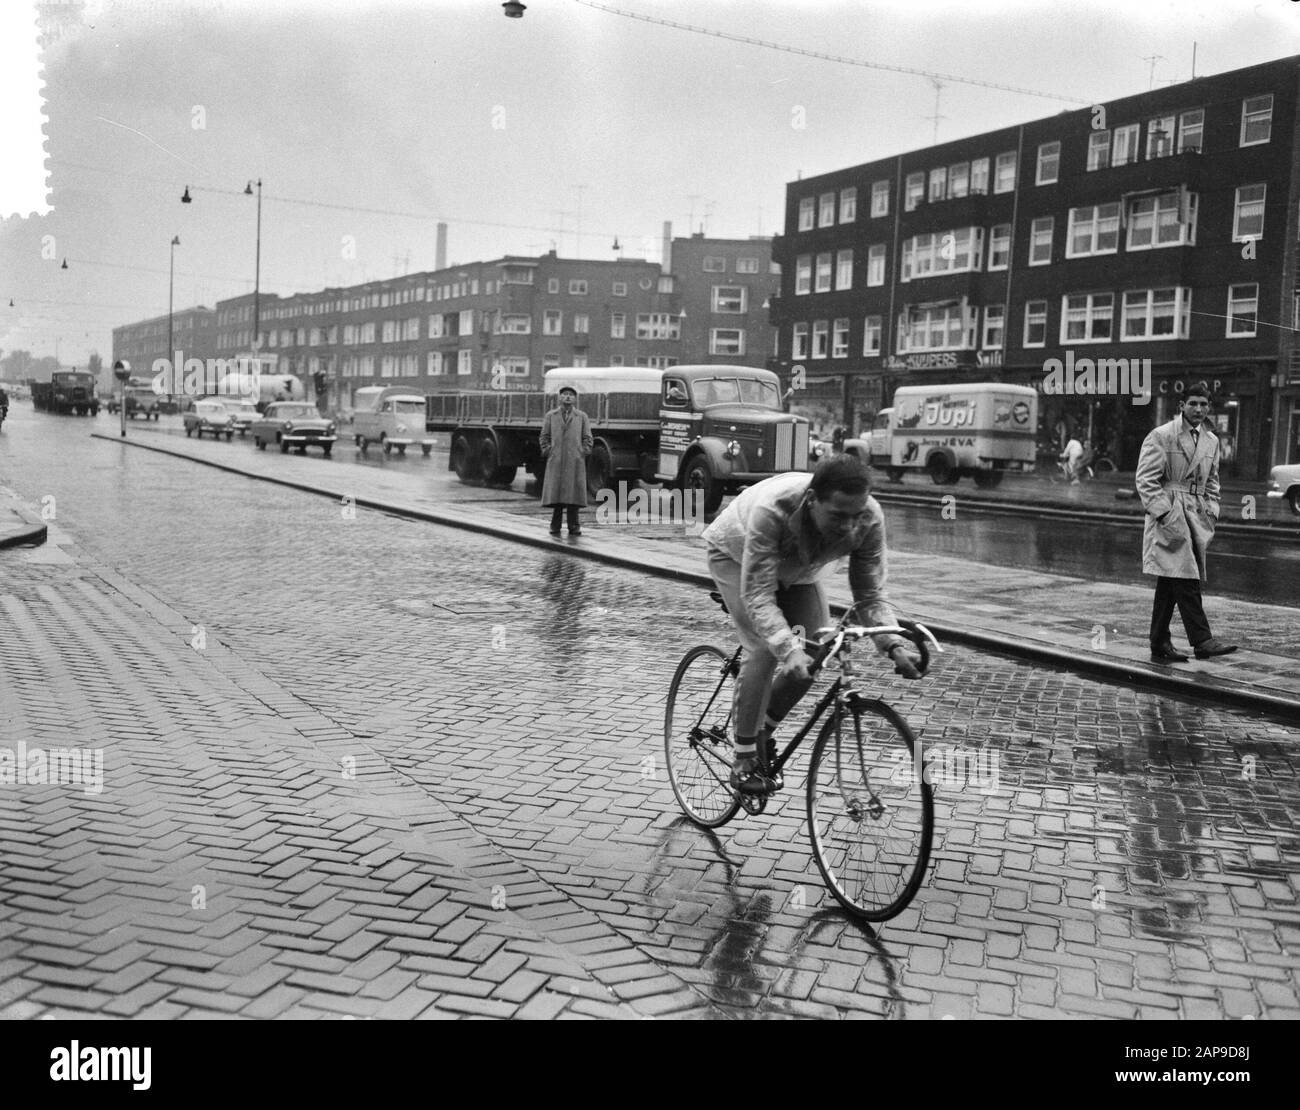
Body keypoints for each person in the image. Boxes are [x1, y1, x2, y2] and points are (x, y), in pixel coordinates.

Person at [701, 455, 923, 794]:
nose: (850, 527)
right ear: (812, 500)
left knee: (818, 647)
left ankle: (762, 730)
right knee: (764, 647)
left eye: (856, 515)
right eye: (838, 516)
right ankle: (744, 757)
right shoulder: (772, 510)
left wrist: (893, 644)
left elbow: (869, 591)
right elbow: (759, 594)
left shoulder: (869, 517)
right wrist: (787, 647)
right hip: (735, 555)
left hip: (801, 570)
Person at [1135, 381, 1237, 663]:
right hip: (1171, 512)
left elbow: (1213, 480)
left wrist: (1212, 510)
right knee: (1186, 576)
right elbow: (1145, 480)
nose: (1199, 409)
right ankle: (1202, 641)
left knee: (1171, 580)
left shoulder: (1212, 441)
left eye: (1204, 404)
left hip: (1197, 514)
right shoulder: (1162, 435)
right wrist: (1165, 513)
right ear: (1181, 406)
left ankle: (1159, 643)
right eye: (1193, 403)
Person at [539, 385, 592, 536]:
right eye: (564, 394)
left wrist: (582, 452)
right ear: (559, 397)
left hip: (574, 461)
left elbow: (587, 437)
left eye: (571, 395)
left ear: (575, 399)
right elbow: (544, 436)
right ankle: (555, 526)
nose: (568, 397)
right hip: (556, 460)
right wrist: (548, 450)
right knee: (557, 496)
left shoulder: (581, 416)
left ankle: (574, 526)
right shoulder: (551, 415)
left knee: (573, 496)